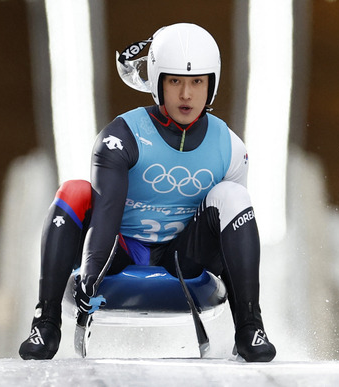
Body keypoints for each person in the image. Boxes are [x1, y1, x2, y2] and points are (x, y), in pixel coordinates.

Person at [19, 23, 276, 362]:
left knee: (234, 196)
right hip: (119, 249)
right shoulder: (122, 135)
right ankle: (46, 322)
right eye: (175, 81)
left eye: (197, 82)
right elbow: (107, 208)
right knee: (74, 190)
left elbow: (229, 230)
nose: (186, 95)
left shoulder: (231, 147)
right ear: (157, 83)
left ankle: (249, 328)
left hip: (182, 255)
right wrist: (91, 273)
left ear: (211, 83)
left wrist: (234, 294)